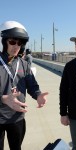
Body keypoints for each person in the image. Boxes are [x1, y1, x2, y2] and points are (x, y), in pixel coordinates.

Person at [0, 21, 48, 150]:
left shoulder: (24, 64)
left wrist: (38, 95)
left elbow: (32, 85)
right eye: (12, 42)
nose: (16, 46)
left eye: (19, 43)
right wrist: (3, 98)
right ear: (4, 42)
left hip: (17, 117)